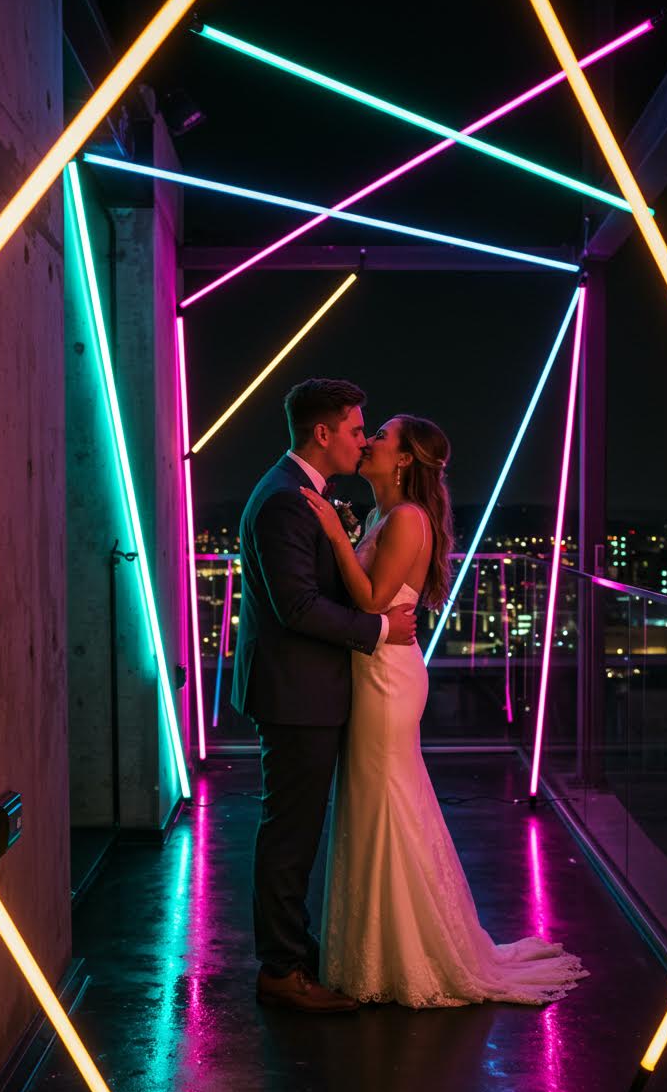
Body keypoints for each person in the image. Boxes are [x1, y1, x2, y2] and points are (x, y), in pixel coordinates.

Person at [301, 414, 589, 1007]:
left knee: (387, 799)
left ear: (404, 459)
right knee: (375, 799)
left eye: (381, 435)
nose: (371, 441)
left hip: (386, 678)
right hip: (374, 668)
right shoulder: (386, 515)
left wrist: (334, 534)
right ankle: (379, 945)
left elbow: (376, 601)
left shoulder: (406, 519)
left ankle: (406, 952)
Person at [231, 378, 418, 1013]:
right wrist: (380, 628)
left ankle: (293, 950)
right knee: (290, 833)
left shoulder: (300, 494)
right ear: (323, 433)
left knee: (297, 828)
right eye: (356, 429)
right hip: (295, 694)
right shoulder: (287, 500)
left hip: (306, 689)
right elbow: (297, 607)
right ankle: (281, 971)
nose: (362, 439)